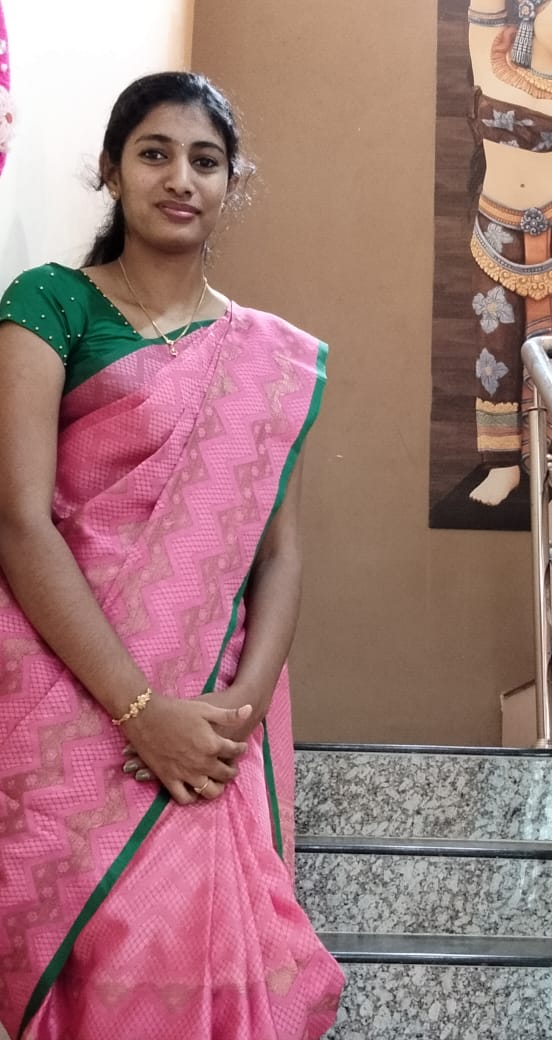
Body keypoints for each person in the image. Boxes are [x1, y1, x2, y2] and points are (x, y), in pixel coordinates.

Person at [0, 71, 344, 1039]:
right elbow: (19, 520)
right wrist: (141, 713)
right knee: (103, 946)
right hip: (66, 687)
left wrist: (229, 721)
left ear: (233, 182)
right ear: (112, 170)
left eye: (205, 160)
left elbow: (279, 556)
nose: (180, 178)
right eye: (154, 154)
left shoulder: (271, 359)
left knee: (209, 953)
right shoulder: (51, 303)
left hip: (212, 713)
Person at [466, 0, 552, 507]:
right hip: (495, 226)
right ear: (530, 11)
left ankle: (546, 455)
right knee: (494, 346)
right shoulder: (488, 53)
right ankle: (501, 465)